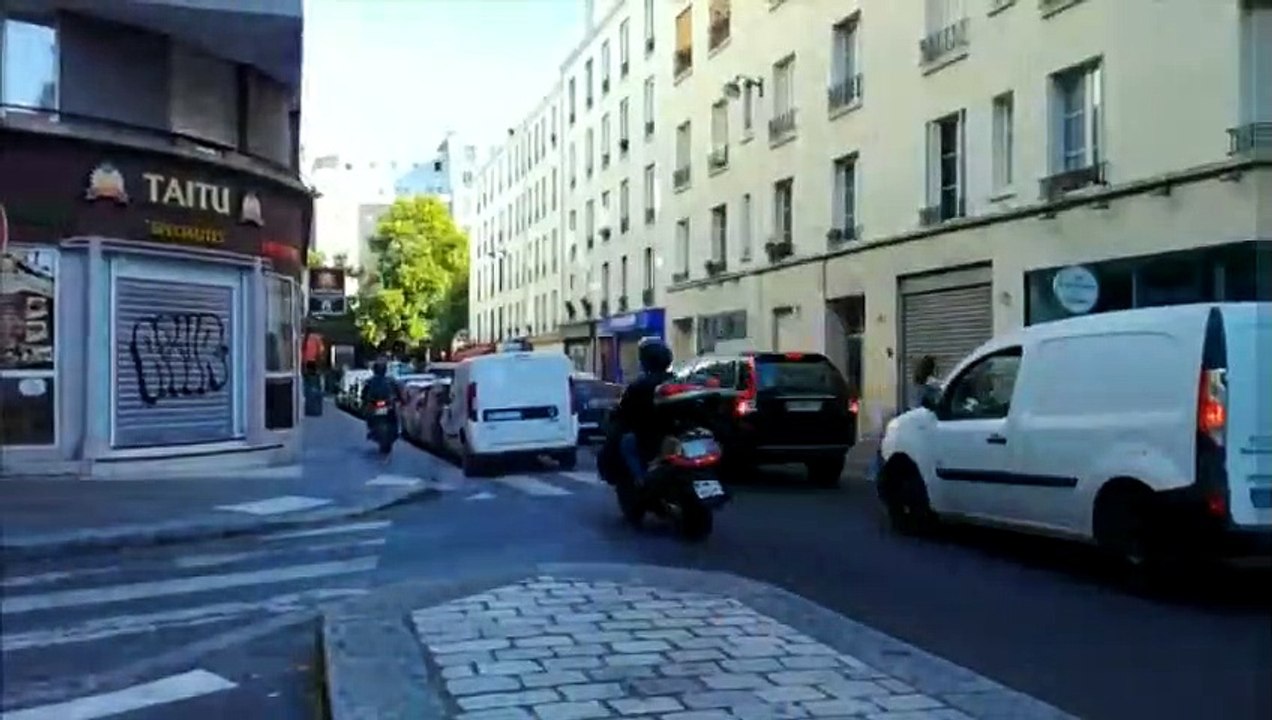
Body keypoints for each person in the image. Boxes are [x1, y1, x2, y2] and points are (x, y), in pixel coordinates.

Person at [613, 337, 674, 486]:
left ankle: (641, 480)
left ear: (645, 361)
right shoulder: (675, 380)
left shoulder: (639, 385)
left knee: (627, 443)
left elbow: (623, 411)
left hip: (650, 437)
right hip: (673, 432)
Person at [361, 360, 396, 437]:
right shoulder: (389, 380)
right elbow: (364, 393)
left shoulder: (371, 381)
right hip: (377, 403)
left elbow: (364, 394)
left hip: (383, 403)